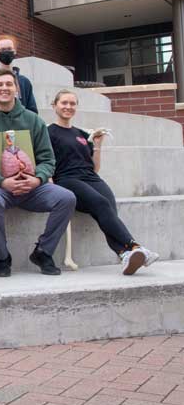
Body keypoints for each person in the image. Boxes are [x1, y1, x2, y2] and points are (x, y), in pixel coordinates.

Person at [0, 68, 76, 276]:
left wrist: (37, 179)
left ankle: (43, 251)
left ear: (17, 89)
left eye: (9, 84)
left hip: (32, 186)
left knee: (67, 198)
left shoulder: (33, 120)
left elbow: (48, 159)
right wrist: (1, 181)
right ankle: (2, 257)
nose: (4, 88)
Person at [49, 89, 159, 274]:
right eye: (64, 103)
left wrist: (98, 145)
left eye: (72, 103)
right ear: (55, 106)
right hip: (67, 179)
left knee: (109, 205)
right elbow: (46, 160)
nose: (68, 107)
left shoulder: (81, 134)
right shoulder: (48, 132)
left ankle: (125, 254)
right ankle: (134, 246)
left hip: (90, 177)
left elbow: (94, 168)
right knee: (100, 202)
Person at [0, 34, 38, 113]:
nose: (6, 52)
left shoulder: (24, 81)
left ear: (15, 51)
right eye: (2, 50)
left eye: (9, 49)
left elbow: (32, 109)